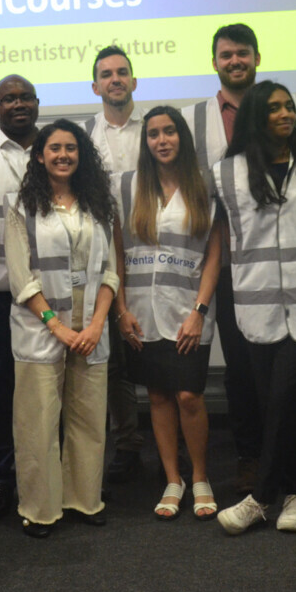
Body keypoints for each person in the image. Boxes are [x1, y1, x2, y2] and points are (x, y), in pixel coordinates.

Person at [181, 23, 296, 495]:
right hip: (222, 259)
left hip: (284, 262)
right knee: (241, 367)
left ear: (257, 57)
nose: (235, 61)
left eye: (243, 53)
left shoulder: (284, 107)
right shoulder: (195, 116)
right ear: (214, 62)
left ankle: (287, 462)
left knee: (284, 372)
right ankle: (250, 456)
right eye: (226, 55)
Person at [212, 81, 296, 535]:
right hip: (257, 304)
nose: (286, 114)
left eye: (289, 106)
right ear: (254, 116)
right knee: (274, 406)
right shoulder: (227, 174)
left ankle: (260, 497)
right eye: (274, 109)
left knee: (285, 396)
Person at [5, 119, 119, 538]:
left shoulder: (98, 204)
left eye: (71, 148)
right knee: (37, 423)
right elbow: (20, 277)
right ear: (39, 155)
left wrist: (94, 324)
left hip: (90, 325)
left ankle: (84, 500)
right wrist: (58, 327)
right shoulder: (20, 205)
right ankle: (40, 509)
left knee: (89, 419)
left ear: (81, 155)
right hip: (42, 326)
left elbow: (110, 272)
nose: (63, 155)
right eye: (54, 148)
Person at [111, 106, 223, 520]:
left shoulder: (204, 188)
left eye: (170, 132)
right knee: (157, 395)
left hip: (188, 312)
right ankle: (172, 479)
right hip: (140, 312)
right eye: (154, 134)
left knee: (189, 396)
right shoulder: (126, 187)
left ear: (182, 137)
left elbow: (214, 254)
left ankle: (200, 478)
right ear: (146, 142)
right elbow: (116, 254)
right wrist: (120, 310)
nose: (162, 140)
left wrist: (199, 310)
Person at [0, 74, 40, 520]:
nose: (18, 104)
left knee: (49, 388)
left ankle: (47, 475)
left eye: (25, 98)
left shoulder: (57, 146)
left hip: (50, 294)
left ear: (37, 103)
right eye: (8, 99)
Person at [83, 46, 146, 484]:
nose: (115, 79)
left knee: (161, 356)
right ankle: (126, 443)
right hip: (104, 258)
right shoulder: (83, 138)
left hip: (157, 253)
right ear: (95, 86)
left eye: (122, 72)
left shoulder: (157, 128)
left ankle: (170, 441)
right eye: (107, 74)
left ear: (134, 81)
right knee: (116, 361)